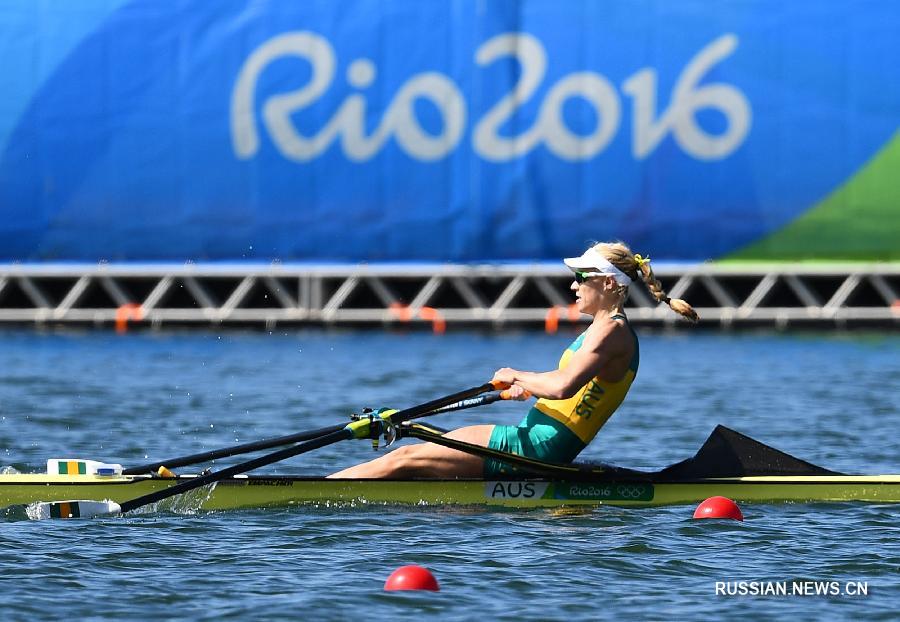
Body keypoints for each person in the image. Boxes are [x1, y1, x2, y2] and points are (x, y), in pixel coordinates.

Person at [328, 241, 697, 479]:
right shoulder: (603, 329)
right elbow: (569, 389)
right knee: (422, 464)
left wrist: (517, 374)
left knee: (405, 458)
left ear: (609, 284)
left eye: (581, 277)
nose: (573, 285)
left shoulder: (611, 332)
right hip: (531, 440)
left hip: (533, 450)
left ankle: (315, 492)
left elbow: (562, 386)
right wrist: (523, 388)